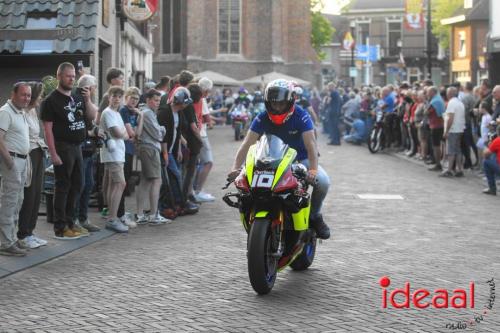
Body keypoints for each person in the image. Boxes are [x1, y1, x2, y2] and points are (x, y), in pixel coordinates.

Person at [228, 79, 331, 239]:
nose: (277, 108)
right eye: (274, 104)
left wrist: (312, 170)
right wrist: (235, 168)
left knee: (323, 182)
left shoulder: (302, 116)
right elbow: (247, 143)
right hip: (270, 160)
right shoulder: (262, 117)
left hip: (299, 161)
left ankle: (315, 215)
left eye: (281, 104)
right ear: (268, 103)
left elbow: (311, 145)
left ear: (290, 102)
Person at [41, 62, 97, 240]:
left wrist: (87, 99)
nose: (72, 79)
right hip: (62, 147)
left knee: (78, 185)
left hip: (78, 147)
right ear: (59, 76)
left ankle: (71, 223)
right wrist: (53, 153)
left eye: (74, 76)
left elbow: (90, 117)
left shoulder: (77, 97)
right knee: (63, 187)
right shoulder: (50, 101)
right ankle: (60, 227)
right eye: (68, 76)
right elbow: (47, 129)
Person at [0, 82, 31, 256]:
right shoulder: (5, 112)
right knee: (9, 202)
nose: (26, 98)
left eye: (28, 95)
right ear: (14, 94)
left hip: (22, 162)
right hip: (12, 162)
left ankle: (12, 238)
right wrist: (10, 162)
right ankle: (5, 244)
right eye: (23, 94)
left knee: (17, 201)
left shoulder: (20, 112)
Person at [17, 82, 49, 249]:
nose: (41, 98)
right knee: (29, 194)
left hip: (38, 152)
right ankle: (22, 233)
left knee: (37, 194)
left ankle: (30, 231)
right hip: (29, 154)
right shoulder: (22, 112)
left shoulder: (33, 112)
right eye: (40, 95)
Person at [134, 89, 170, 225]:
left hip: (147, 148)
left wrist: (160, 129)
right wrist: (163, 128)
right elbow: (158, 135)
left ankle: (140, 213)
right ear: (148, 100)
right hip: (150, 149)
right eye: (155, 100)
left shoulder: (147, 113)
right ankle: (153, 214)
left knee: (145, 181)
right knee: (156, 180)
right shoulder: (148, 113)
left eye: (159, 101)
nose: (157, 103)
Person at [99, 86, 130, 232]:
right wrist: (123, 133)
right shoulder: (108, 113)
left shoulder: (116, 114)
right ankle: (112, 218)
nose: (117, 99)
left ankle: (113, 216)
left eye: (119, 96)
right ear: (109, 97)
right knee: (120, 184)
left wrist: (123, 133)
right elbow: (119, 133)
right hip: (113, 154)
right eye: (114, 96)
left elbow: (127, 134)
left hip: (118, 153)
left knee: (114, 185)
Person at [73, 74, 101, 233]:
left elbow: (94, 119)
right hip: (80, 149)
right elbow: (91, 116)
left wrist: (88, 100)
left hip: (90, 150)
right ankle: (75, 218)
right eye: (93, 87)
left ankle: (84, 218)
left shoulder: (88, 101)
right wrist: (86, 100)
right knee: (79, 184)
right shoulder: (76, 100)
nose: (94, 90)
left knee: (88, 184)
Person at [193, 77, 216, 202]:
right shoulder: (201, 100)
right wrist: (212, 122)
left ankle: (195, 190)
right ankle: (198, 190)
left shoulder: (194, 98)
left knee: (198, 163)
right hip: (201, 134)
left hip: (195, 134)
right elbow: (207, 119)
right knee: (208, 162)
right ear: (206, 90)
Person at [440, 87, 466, 177]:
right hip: (460, 129)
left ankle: (449, 170)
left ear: (450, 94)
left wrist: (446, 130)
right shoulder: (460, 102)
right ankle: (460, 169)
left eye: (447, 93)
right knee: (458, 149)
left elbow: (450, 118)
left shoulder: (451, 103)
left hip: (453, 129)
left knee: (451, 150)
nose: (446, 95)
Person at [424, 86, 445, 172]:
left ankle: (438, 164)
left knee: (436, 146)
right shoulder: (438, 99)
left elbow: (427, 112)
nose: (427, 94)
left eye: (428, 92)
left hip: (436, 126)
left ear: (433, 92)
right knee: (437, 145)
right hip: (438, 125)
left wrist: (426, 109)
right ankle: (438, 163)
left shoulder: (435, 101)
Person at [482, 126, 500, 195]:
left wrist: (489, 146)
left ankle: (492, 188)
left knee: (486, 162)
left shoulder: (498, 140)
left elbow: (486, 154)